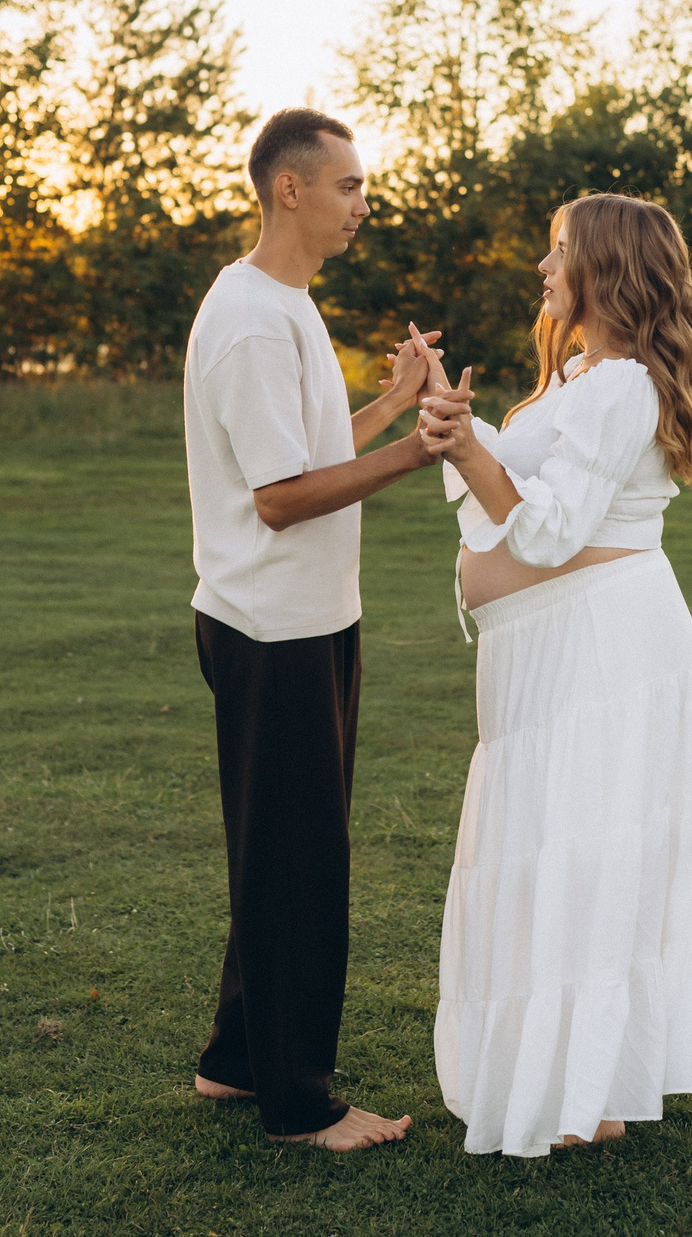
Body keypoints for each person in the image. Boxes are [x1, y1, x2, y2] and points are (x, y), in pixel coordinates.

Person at [415, 192, 692, 1157]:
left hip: (603, 652)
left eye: (559, 249)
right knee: (547, 851)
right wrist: (458, 424)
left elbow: (554, 530)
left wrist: (472, 442)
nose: (543, 266)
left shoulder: (624, 387)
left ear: (605, 265)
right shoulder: (572, 376)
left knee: (587, 852)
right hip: (543, 656)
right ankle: (563, 1073)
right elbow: (498, 490)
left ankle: (589, 1085)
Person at [182, 107, 444, 1152]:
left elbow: (305, 448)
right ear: (288, 188)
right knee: (298, 864)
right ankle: (300, 1105)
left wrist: (387, 405)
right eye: (347, 187)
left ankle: (236, 1061)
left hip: (312, 620)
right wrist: (417, 453)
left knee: (280, 849)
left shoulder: (284, 304)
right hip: (270, 629)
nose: (361, 206)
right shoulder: (249, 317)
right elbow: (282, 497)